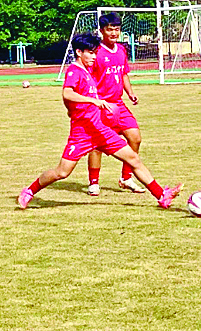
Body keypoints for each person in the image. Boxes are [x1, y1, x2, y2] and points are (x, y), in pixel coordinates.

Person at [18, 33, 181, 211]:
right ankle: (29, 191)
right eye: (90, 53)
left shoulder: (88, 71)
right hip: (82, 134)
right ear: (79, 52)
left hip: (101, 130)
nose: (94, 57)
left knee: (133, 158)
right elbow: (67, 93)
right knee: (62, 172)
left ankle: (162, 195)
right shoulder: (74, 70)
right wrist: (92, 101)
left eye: (95, 53)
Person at [86, 13, 146, 195]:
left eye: (117, 29)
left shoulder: (121, 50)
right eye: (109, 29)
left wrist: (130, 93)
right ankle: (93, 182)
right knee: (97, 144)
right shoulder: (96, 52)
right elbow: (87, 78)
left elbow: (123, 74)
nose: (113, 33)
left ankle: (126, 178)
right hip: (101, 105)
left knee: (135, 138)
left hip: (118, 104)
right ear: (102, 31)